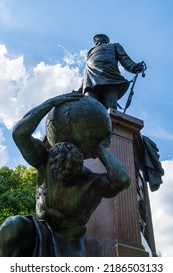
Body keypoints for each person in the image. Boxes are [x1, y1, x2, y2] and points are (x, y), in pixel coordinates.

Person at [0, 92, 131, 257]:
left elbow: (123, 180)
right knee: (12, 225)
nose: (66, 169)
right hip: (41, 231)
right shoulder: (43, 161)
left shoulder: (91, 183)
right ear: (53, 159)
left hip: (70, 244)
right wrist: (51, 103)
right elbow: (19, 134)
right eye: (61, 165)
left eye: (72, 166)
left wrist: (99, 148)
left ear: (81, 163)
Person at [80, 34, 145, 109]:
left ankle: (114, 120)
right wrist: (80, 89)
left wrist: (134, 67)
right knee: (88, 106)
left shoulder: (114, 46)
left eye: (97, 38)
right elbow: (87, 68)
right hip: (91, 78)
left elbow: (124, 58)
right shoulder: (91, 51)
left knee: (111, 107)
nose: (95, 40)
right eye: (94, 39)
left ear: (104, 39)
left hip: (110, 77)